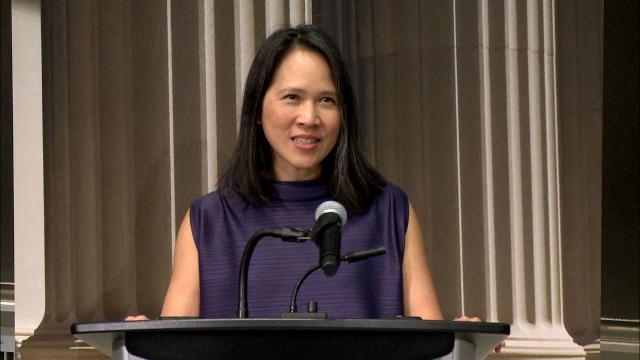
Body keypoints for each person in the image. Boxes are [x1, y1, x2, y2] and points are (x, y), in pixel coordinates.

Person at [129, 24, 443, 320]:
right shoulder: (209, 222)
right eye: (293, 97)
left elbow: (435, 343)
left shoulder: (388, 211)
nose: (309, 117)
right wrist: (141, 346)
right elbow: (172, 345)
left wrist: (468, 340)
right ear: (257, 110)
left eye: (326, 100)